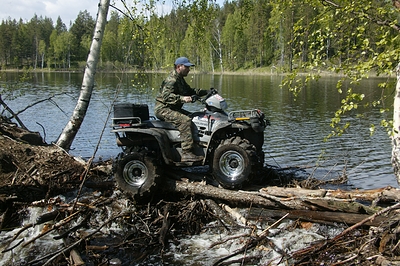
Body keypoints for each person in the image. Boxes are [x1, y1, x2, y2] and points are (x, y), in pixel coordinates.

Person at [155, 57, 209, 162]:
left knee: (194, 118)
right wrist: (182, 99)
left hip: (172, 108)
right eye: (187, 67)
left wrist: (206, 92)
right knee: (185, 121)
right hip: (163, 109)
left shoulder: (180, 79)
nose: (189, 69)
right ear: (179, 67)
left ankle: (196, 145)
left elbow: (190, 91)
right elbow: (166, 96)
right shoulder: (172, 80)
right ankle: (187, 153)